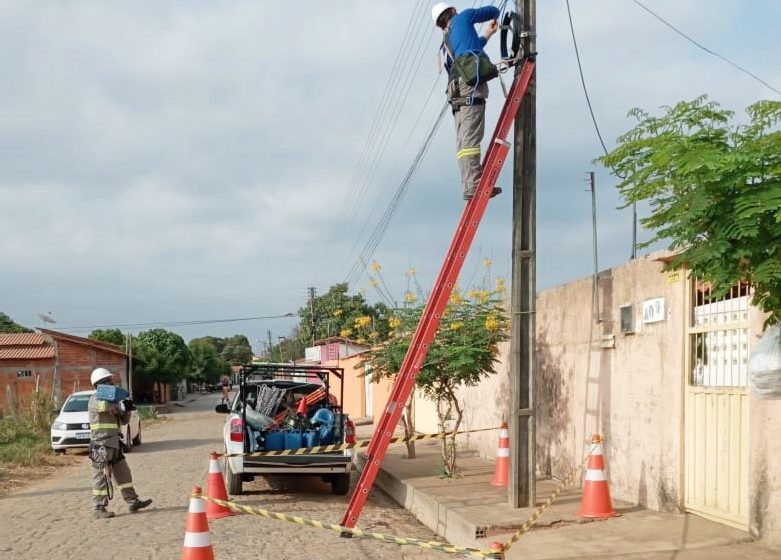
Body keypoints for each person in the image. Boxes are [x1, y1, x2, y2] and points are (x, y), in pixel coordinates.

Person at [432, 2, 502, 201]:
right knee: (471, 137)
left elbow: (470, 48)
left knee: (464, 140)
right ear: (452, 11)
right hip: (468, 85)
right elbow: (493, 11)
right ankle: (474, 184)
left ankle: (468, 183)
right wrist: (488, 17)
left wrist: (487, 34)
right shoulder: (463, 18)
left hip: (455, 91)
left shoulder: (446, 41)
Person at [88, 367, 152, 519]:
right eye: (108, 381)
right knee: (101, 477)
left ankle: (133, 501)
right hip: (101, 445)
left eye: (111, 381)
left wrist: (128, 409)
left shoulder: (113, 401)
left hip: (115, 444)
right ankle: (99, 507)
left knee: (124, 474)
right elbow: (104, 407)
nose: (112, 383)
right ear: (100, 384)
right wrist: (116, 402)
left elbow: (123, 420)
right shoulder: (95, 399)